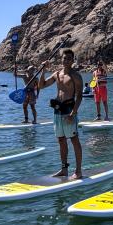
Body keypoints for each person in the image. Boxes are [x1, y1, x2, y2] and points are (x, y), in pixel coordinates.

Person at [39, 49, 83, 178]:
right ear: (61, 59)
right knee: (61, 140)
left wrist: (73, 113)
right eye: (64, 58)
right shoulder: (56, 74)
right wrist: (43, 70)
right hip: (57, 110)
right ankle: (64, 169)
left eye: (69, 58)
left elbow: (79, 96)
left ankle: (78, 171)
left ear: (72, 60)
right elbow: (41, 85)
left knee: (74, 140)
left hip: (69, 110)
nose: (66, 60)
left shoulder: (76, 76)